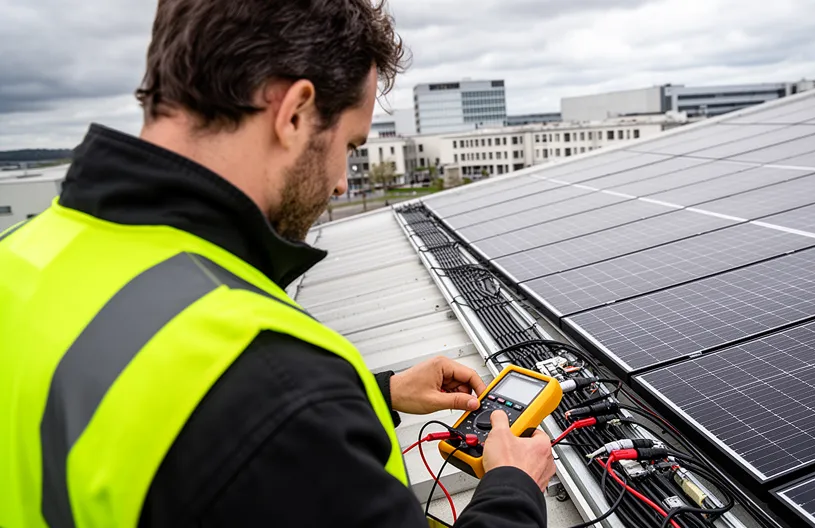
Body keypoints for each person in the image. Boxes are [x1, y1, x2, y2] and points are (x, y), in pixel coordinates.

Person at [0, 1, 556, 527]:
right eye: (350, 145)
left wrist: (375, 393)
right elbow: (255, 417)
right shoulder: (278, 388)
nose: (341, 181)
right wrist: (512, 489)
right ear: (293, 114)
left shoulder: (23, 254)